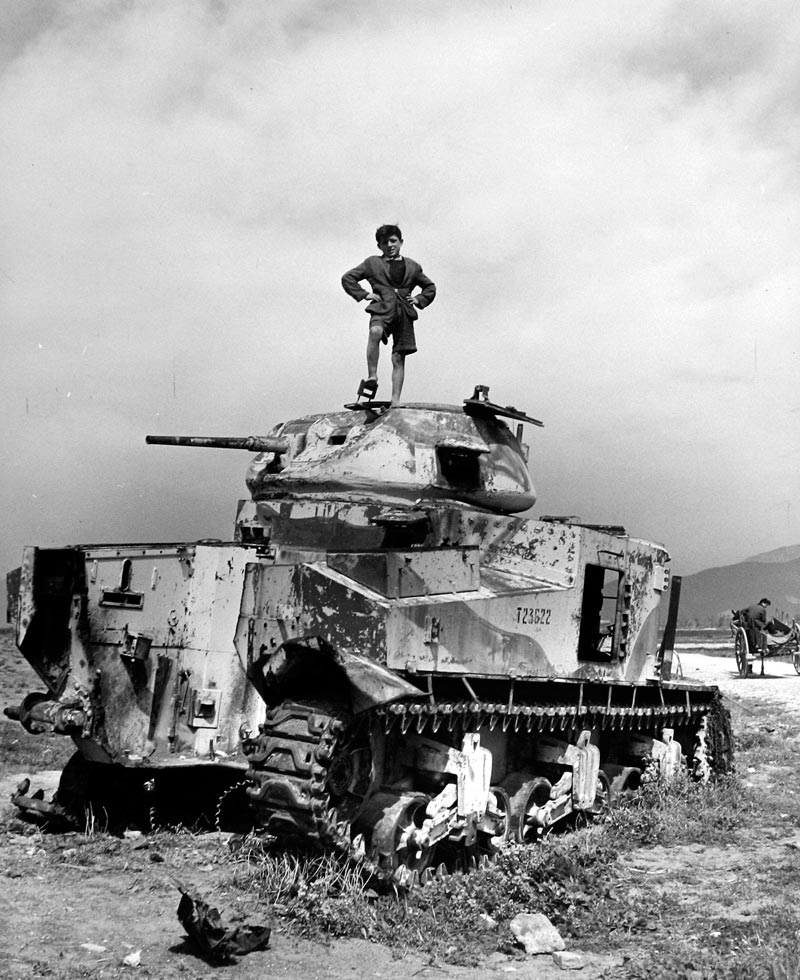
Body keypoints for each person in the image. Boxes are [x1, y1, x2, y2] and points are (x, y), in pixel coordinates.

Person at [342, 224, 436, 406]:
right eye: (384, 242)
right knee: (375, 331)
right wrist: (364, 294)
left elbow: (430, 287)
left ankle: (395, 400)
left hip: (404, 313)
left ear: (401, 242)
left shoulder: (413, 267)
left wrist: (418, 299)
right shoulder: (372, 263)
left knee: (398, 357)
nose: (389, 245)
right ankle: (372, 375)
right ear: (379, 246)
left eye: (393, 241)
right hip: (382, 308)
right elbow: (348, 278)